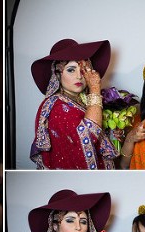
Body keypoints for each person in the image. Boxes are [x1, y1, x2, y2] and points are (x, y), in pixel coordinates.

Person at [30, 38, 118, 169]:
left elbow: (98, 140)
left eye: (83, 70)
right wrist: (95, 88)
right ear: (57, 74)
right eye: (71, 70)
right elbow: (88, 134)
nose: (79, 76)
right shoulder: (57, 107)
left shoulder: (82, 101)